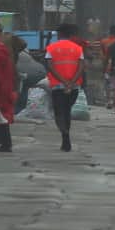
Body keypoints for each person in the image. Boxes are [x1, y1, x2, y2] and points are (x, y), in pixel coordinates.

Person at [43, 23, 85, 152]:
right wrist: (71, 82)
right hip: (74, 87)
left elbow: (50, 65)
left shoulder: (51, 48)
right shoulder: (78, 48)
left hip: (57, 86)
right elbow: (81, 66)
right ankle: (66, 137)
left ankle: (65, 136)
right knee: (67, 110)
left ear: (59, 34)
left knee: (59, 112)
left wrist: (63, 81)